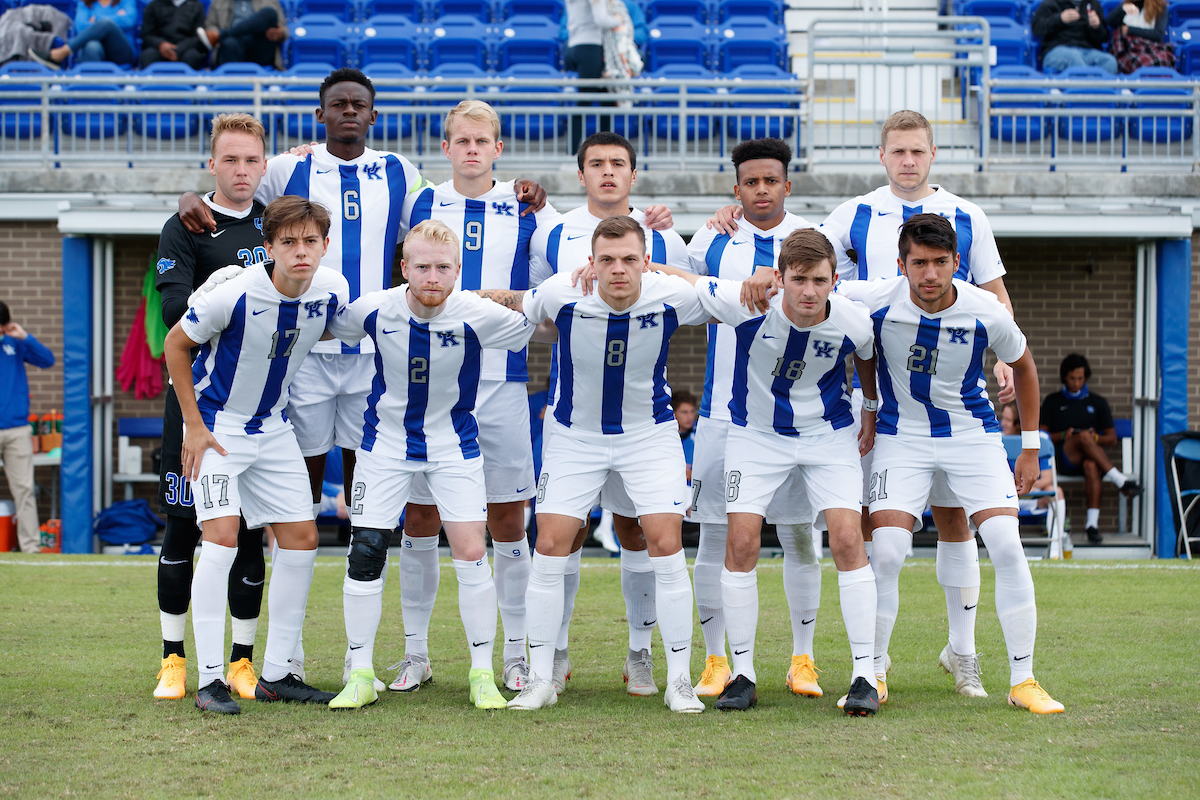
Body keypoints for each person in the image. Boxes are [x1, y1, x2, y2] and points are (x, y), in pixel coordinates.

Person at [178, 68, 545, 686]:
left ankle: (382, 657)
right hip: (303, 363)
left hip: (376, 354)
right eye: (337, 105)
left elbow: (463, 197)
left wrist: (523, 191)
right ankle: (277, 659)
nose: (348, 112)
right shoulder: (286, 169)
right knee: (289, 510)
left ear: (373, 115)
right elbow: (232, 188)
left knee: (369, 504)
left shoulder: (401, 173)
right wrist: (190, 201)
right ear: (320, 114)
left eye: (359, 105)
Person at [719, 110, 1016, 701]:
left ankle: (962, 652)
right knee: (878, 532)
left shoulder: (969, 215)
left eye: (918, 151)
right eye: (897, 151)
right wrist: (742, 236)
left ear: (933, 155)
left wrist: (1006, 351)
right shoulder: (855, 212)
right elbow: (802, 253)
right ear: (883, 156)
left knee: (957, 519)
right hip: (881, 393)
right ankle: (868, 666)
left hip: (951, 388)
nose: (908, 160)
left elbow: (992, 287)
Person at [839, 213, 1064, 715]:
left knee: (1007, 545)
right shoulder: (873, 299)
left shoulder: (987, 309)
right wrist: (870, 406)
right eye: (919, 263)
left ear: (957, 263)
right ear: (901, 264)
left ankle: (1023, 679)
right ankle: (872, 672)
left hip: (972, 434)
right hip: (903, 436)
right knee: (891, 549)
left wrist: (1029, 446)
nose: (930, 275)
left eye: (941, 262)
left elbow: (1024, 366)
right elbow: (811, 291)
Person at [327, 220, 555, 711]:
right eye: (422, 266)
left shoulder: (477, 313)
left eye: (443, 267)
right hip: (384, 446)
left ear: (457, 271)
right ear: (404, 267)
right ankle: (360, 672)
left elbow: (545, 321)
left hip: (454, 448)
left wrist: (522, 293)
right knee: (365, 549)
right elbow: (322, 323)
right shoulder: (374, 308)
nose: (432, 276)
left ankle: (481, 675)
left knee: (472, 552)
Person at [662, 228, 882, 715]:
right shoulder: (746, 305)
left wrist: (869, 409)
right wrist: (636, 265)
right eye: (799, 279)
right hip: (756, 436)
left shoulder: (852, 319)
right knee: (740, 544)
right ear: (778, 278)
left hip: (828, 436)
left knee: (847, 540)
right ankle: (743, 675)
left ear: (834, 280)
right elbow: (687, 279)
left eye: (820, 280)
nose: (809, 291)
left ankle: (865, 675)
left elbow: (867, 355)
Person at [495, 216, 709, 712]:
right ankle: (541, 677)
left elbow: (736, 296)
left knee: (665, 543)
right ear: (590, 262)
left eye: (629, 259)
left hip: (649, 436)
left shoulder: (671, 294)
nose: (618, 269)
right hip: (575, 436)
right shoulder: (561, 291)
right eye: (607, 260)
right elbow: (513, 305)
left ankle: (678, 679)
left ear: (646, 262)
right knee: (549, 545)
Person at [388, 101, 560, 696]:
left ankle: (515, 654)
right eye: (460, 140)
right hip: (430, 388)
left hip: (503, 384)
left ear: (498, 148)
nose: (470, 150)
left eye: (481, 141)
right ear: (446, 147)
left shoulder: (531, 208)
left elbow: (557, 286)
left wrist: (499, 298)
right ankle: (416, 654)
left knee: (509, 520)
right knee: (421, 517)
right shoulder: (422, 202)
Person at [161, 196, 349, 715]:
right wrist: (193, 427)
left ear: (325, 245)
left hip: (273, 427)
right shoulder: (235, 292)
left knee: (302, 538)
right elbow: (175, 346)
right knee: (220, 541)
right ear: (267, 247)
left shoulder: (334, 289)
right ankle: (208, 680)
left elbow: (333, 326)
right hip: (219, 429)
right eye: (287, 242)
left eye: (310, 241)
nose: (300, 251)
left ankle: (277, 673)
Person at [528, 131, 685, 700]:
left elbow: (697, 294)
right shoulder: (554, 235)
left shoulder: (663, 233)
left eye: (619, 163)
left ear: (633, 174)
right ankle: (555, 654)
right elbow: (533, 313)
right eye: (597, 163)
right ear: (582, 173)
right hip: (574, 418)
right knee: (558, 538)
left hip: (645, 423)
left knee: (637, 532)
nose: (608, 172)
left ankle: (643, 656)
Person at [684, 138, 827, 701]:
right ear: (736, 188)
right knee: (715, 537)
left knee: (798, 537)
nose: (761, 190)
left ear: (787, 186)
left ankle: (803, 658)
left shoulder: (816, 240)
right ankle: (717, 658)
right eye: (751, 183)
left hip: (797, 418)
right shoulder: (714, 238)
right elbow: (676, 280)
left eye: (772, 181)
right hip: (723, 415)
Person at [151, 113, 273, 703]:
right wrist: (232, 280)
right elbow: (179, 313)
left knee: (248, 534)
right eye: (230, 159)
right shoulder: (185, 224)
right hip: (193, 407)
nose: (241, 170)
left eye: (251, 159)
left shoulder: (277, 225)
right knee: (183, 531)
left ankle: (243, 662)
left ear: (265, 165)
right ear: (212, 164)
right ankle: (174, 660)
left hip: (255, 412)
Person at [1040, 353, 1142, 544]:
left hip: (1090, 460)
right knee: (1084, 436)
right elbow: (1041, 436)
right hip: (1064, 459)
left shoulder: (1097, 402)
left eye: (1080, 378)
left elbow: (1111, 438)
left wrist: (1095, 437)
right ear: (1064, 377)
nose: (1077, 382)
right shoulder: (1053, 401)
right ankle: (1119, 480)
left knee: (1092, 465)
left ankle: (1092, 526)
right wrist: (1064, 435)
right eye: (1072, 378)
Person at [0, 301, 54, 555]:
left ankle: (31, 549)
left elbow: (47, 360)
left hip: (17, 430)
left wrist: (24, 336)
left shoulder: (14, 343)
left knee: (24, 490)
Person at [999, 403, 1068, 559]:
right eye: (1003, 418)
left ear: (1018, 424)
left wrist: (1029, 486)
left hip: (1031, 495)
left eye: (1008, 420)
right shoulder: (995, 436)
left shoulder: (1037, 439)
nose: (1002, 423)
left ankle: (1055, 551)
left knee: (1057, 491)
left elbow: (1048, 478)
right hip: (1003, 497)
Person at [564, 0, 623, 151]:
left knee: (605, 99)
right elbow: (601, 19)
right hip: (590, 47)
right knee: (585, 101)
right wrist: (618, 20)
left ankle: (605, 148)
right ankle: (572, 151)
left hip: (576, 46)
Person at [27, 0, 135, 69]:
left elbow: (130, 20)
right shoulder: (84, 3)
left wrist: (97, 20)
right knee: (92, 46)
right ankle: (95, 92)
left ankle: (62, 52)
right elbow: (81, 26)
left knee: (106, 24)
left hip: (121, 52)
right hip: (94, 50)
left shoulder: (126, 1)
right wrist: (117, 18)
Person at [1033, 0, 1118, 74]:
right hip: (1056, 50)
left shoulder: (1093, 4)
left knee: (1110, 61)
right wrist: (1060, 18)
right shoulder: (1052, 2)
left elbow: (1104, 38)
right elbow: (1036, 28)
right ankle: (1087, 89)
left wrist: (1097, 27)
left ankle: (1098, 91)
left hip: (1087, 51)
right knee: (1075, 57)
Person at [197, 0, 288, 70]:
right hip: (232, 46)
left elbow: (284, 28)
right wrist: (216, 31)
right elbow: (210, 26)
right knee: (229, 43)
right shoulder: (219, 2)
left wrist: (281, 33)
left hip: (259, 46)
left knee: (269, 13)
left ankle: (222, 35)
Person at [139, 0, 208, 69]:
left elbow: (199, 36)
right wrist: (160, 44)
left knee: (194, 56)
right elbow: (147, 34)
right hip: (160, 49)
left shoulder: (197, 6)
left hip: (186, 48)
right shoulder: (153, 5)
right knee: (147, 56)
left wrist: (180, 48)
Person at [671, 389, 696, 479]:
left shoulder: (702, 433)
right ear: (673, 413)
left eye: (692, 411)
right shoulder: (665, 435)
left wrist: (693, 474)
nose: (689, 416)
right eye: (684, 412)